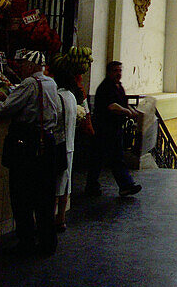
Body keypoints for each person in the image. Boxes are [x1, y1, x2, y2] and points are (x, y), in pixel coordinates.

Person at [0, 50, 63, 255]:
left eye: (24, 64)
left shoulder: (29, 83)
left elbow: (8, 108)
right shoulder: (51, 83)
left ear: (30, 66)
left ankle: (26, 242)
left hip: (28, 144)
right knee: (45, 196)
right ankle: (48, 242)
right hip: (48, 143)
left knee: (22, 195)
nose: (21, 67)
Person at [83, 61, 142, 197]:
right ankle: (122, 185)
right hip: (104, 128)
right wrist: (127, 112)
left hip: (114, 128)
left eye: (120, 70)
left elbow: (122, 104)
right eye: (115, 70)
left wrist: (132, 111)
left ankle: (119, 185)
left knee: (110, 157)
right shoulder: (105, 88)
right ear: (109, 72)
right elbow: (112, 106)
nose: (118, 73)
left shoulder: (119, 87)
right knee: (106, 158)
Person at [51, 63, 81, 232]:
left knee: (56, 185)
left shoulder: (58, 97)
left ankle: (51, 219)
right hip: (70, 145)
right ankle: (61, 218)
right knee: (65, 185)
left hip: (59, 145)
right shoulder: (71, 96)